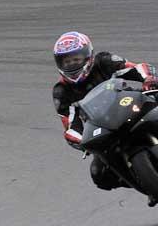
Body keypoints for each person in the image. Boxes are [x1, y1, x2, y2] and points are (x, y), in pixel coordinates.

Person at [52, 31, 158, 204]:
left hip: (129, 104)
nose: (72, 64)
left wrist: (149, 79)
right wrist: (79, 139)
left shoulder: (104, 61)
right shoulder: (61, 90)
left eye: (76, 59)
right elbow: (70, 123)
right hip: (103, 127)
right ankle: (145, 181)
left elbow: (135, 68)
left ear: (87, 55)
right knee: (99, 174)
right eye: (67, 61)